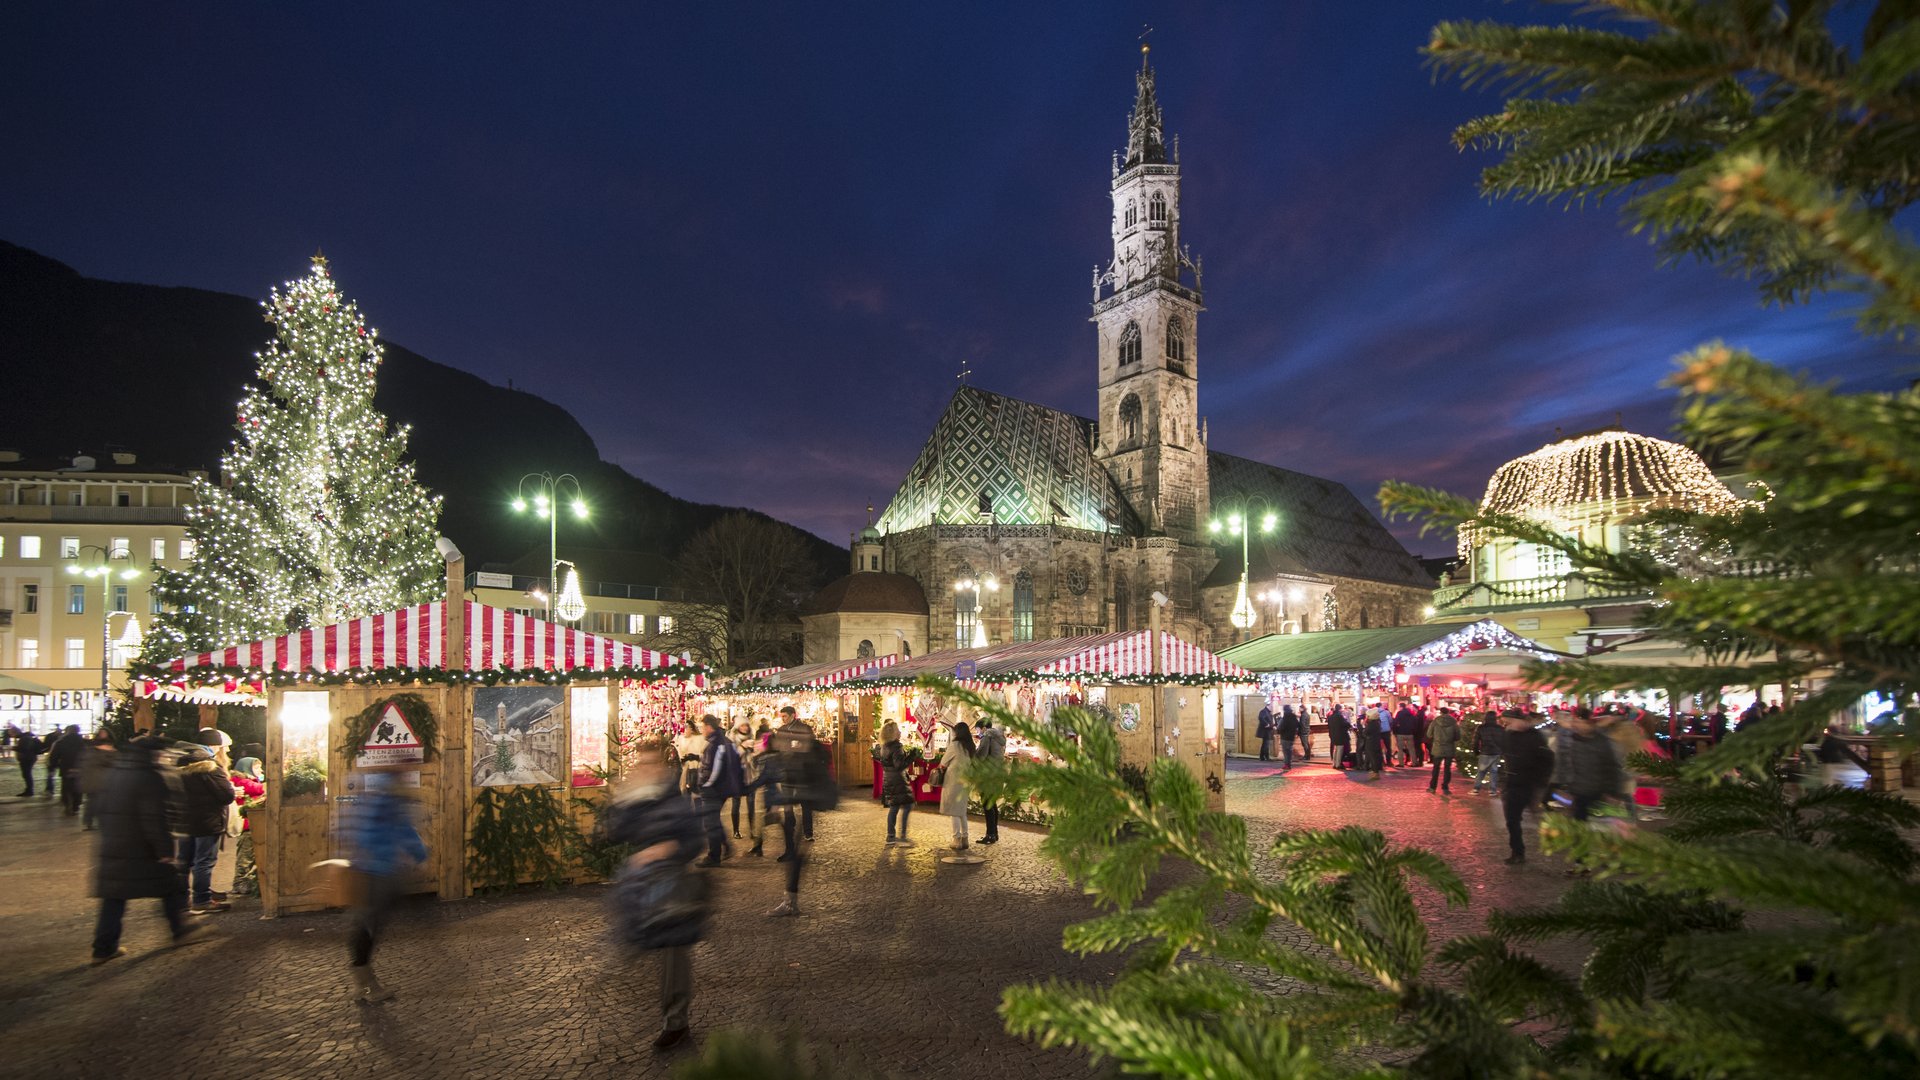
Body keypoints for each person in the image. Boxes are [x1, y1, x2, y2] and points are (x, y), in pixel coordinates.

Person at [606, 743, 706, 1051]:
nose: (644, 769)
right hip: (642, 890)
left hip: (672, 889)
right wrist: (620, 801)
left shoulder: (674, 800)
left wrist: (667, 848)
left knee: (673, 955)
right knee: (639, 945)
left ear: (663, 767)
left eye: (650, 764)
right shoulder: (639, 799)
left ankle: (676, 1022)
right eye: (641, 764)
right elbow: (612, 834)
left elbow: (695, 841)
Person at [91, 735, 213, 964]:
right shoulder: (149, 776)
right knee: (170, 889)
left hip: (115, 845)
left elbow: (99, 808)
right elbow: (154, 818)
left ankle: (103, 948)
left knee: (114, 897)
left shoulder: (116, 772)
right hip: (143, 848)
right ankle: (182, 931)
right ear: (154, 754)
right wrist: (165, 850)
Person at [340, 770, 428, 1004]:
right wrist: (420, 856)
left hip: (363, 869)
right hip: (381, 872)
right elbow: (405, 833)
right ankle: (367, 985)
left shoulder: (366, 801)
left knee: (364, 924)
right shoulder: (391, 804)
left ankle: (363, 983)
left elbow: (350, 830)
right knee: (370, 925)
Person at [763, 716, 825, 915]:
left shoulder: (794, 753)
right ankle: (790, 899)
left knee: (795, 854)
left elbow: (791, 776)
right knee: (794, 852)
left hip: (801, 797)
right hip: (805, 797)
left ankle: (790, 902)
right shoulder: (803, 747)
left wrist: (780, 803)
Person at [178, 732, 234, 914]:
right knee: (204, 861)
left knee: (184, 861)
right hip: (207, 821)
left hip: (184, 821)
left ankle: (181, 899)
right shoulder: (210, 767)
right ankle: (201, 898)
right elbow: (226, 795)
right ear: (214, 746)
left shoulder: (180, 765)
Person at [1499, 712, 1556, 865]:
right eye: (1506, 722)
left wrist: (1540, 783)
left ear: (1521, 721)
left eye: (1510, 721)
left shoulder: (1535, 737)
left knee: (1536, 819)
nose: (1508, 725)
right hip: (1513, 784)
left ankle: (1554, 845)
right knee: (1512, 820)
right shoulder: (1510, 736)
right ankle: (1517, 852)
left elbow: (1548, 760)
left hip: (1529, 784)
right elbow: (1506, 758)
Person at [692, 715, 742, 867]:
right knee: (713, 820)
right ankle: (724, 846)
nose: (701, 730)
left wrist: (705, 785)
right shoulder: (723, 741)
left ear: (708, 727)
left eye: (702, 727)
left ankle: (714, 856)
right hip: (720, 788)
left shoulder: (716, 744)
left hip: (714, 790)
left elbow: (715, 769)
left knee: (711, 822)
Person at [1563, 708, 1624, 822]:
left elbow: (1612, 768)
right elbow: (1568, 767)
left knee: (1598, 830)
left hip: (1598, 795)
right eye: (1573, 721)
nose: (1574, 725)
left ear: (1587, 723)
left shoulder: (1602, 741)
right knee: (1578, 828)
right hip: (1577, 795)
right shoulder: (1572, 740)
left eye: (1577, 722)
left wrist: (1612, 793)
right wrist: (1566, 790)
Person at [872, 721, 916, 846]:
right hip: (898, 780)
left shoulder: (884, 746)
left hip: (889, 779)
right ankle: (901, 835)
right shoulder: (896, 746)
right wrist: (911, 756)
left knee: (894, 807)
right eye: (898, 730)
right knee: (907, 805)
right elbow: (899, 765)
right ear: (893, 733)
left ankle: (891, 835)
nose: (900, 732)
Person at [938, 722, 976, 851]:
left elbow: (943, 762)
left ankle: (956, 839)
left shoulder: (955, 745)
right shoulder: (970, 746)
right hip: (966, 781)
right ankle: (965, 839)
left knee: (954, 811)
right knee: (961, 811)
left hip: (953, 781)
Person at [974, 714, 1005, 843]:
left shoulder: (987, 736)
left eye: (978, 730)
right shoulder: (999, 737)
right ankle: (994, 833)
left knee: (987, 804)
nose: (978, 733)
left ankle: (990, 834)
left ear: (984, 728)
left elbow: (981, 755)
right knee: (992, 804)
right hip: (998, 774)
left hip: (988, 774)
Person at [80, 731, 116, 830]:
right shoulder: (109, 754)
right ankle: (97, 822)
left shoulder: (90, 751)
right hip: (101, 782)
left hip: (92, 782)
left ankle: (89, 822)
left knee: (92, 803)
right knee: (98, 803)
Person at [46, 724, 85, 814]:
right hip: (79, 767)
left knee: (66, 787)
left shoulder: (61, 742)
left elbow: (54, 756)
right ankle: (76, 805)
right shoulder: (82, 742)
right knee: (77, 787)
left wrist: (52, 767)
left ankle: (67, 804)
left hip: (66, 767)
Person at [728, 720, 757, 840]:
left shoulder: (752, 737)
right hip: (737, 775)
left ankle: (752, 830)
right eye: (742, 725)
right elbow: (731, 757)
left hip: (749, 775)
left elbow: (757, 756)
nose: (745, 727)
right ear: (737, 726)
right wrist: (742, 747)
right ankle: (736, 830)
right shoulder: (732, 739)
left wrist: (755, 752)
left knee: (751, 804)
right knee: (736, 803)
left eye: (746, 725)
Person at [1426, 708, 1460, 794]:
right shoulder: (1453, 722)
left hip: (1438, 747)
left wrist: (1436, 738)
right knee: (1447, 768)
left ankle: (1432, 787)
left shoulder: (1435, 722)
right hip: (1449, 747)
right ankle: (1445, 787)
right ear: (1448, 712)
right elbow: (1457, 736)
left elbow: (1429, 734)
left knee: (1436, 768)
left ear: (1440, 712)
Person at [1471, 710, 1504, 795]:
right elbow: (1503, 740)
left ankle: (1476, 789)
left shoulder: (1481, 728)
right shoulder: (1500, 728)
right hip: (1496, 752)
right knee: (1494, 771)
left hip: (1485, 751)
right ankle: (1492, 790)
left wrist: (1476, 751)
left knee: (1481, 771)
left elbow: (1475, 741)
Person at [15, 727, 43, 796]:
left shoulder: (24, 738)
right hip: (29, 758)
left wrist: (13, 748)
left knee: (27, 774)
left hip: (27, 758)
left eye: (11, 733)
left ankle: (29, 791)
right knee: (27, 774)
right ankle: (29, 790)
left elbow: (24, 749)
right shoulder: (26, 737)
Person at [1325, 706, 1351, 770]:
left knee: (1335, 749)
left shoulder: (1330, 716)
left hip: (1333, 735)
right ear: (1339, 709)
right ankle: (1338, 764)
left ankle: (1334, 763)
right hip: (1340, 735)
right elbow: (1346, 724)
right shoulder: (1339, 716)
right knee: (1340, 749)